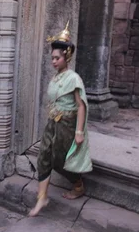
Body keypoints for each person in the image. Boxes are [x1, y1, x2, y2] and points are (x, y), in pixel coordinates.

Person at [29, 22, 93, 217]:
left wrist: (79, 132)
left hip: (67, 124)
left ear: (67, 56)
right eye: (52, 58)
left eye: (57, 58)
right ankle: (42, 197)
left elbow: (81, 105)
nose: (54, 62)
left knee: (61, 159)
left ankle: (78, 184)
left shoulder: (73, 78)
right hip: (53, 122)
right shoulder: (56, 78)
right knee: (43, 156)